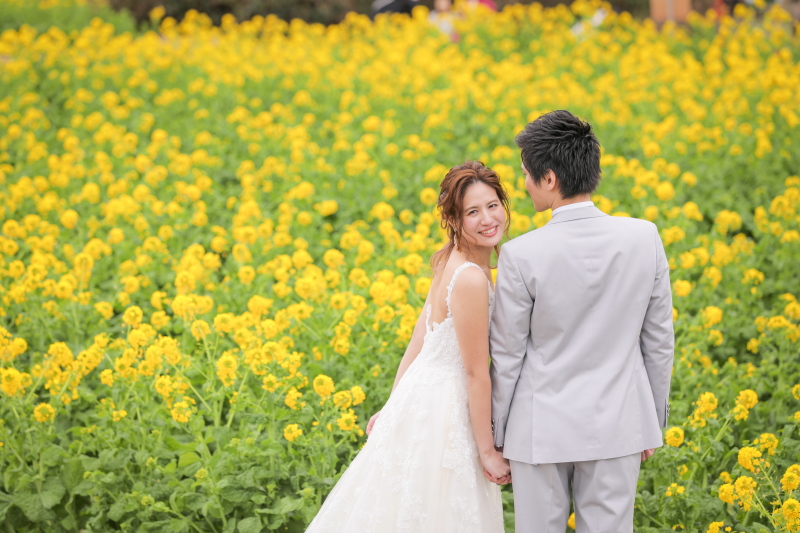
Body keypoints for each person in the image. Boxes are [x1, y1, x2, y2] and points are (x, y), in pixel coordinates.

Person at [490, 110, 674, 532]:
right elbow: (659, 341)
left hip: (539, 429)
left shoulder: (521, 254)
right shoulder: (644, 237)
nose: (524, 184)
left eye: (526, 174)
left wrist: (499, 436)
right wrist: (652, 423)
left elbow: (508, 355)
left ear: (549, 179)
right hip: (620, 422)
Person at [306, 161, 510, 532]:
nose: (487, 219)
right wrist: (487, 452)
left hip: (420, 396)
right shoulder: (469, 278)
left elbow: (422, 336)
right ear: (454, 218)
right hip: (446, 406)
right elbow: (476, 372)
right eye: (472, 212)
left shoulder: (451, 258)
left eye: (493, 205)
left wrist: (394, 402)